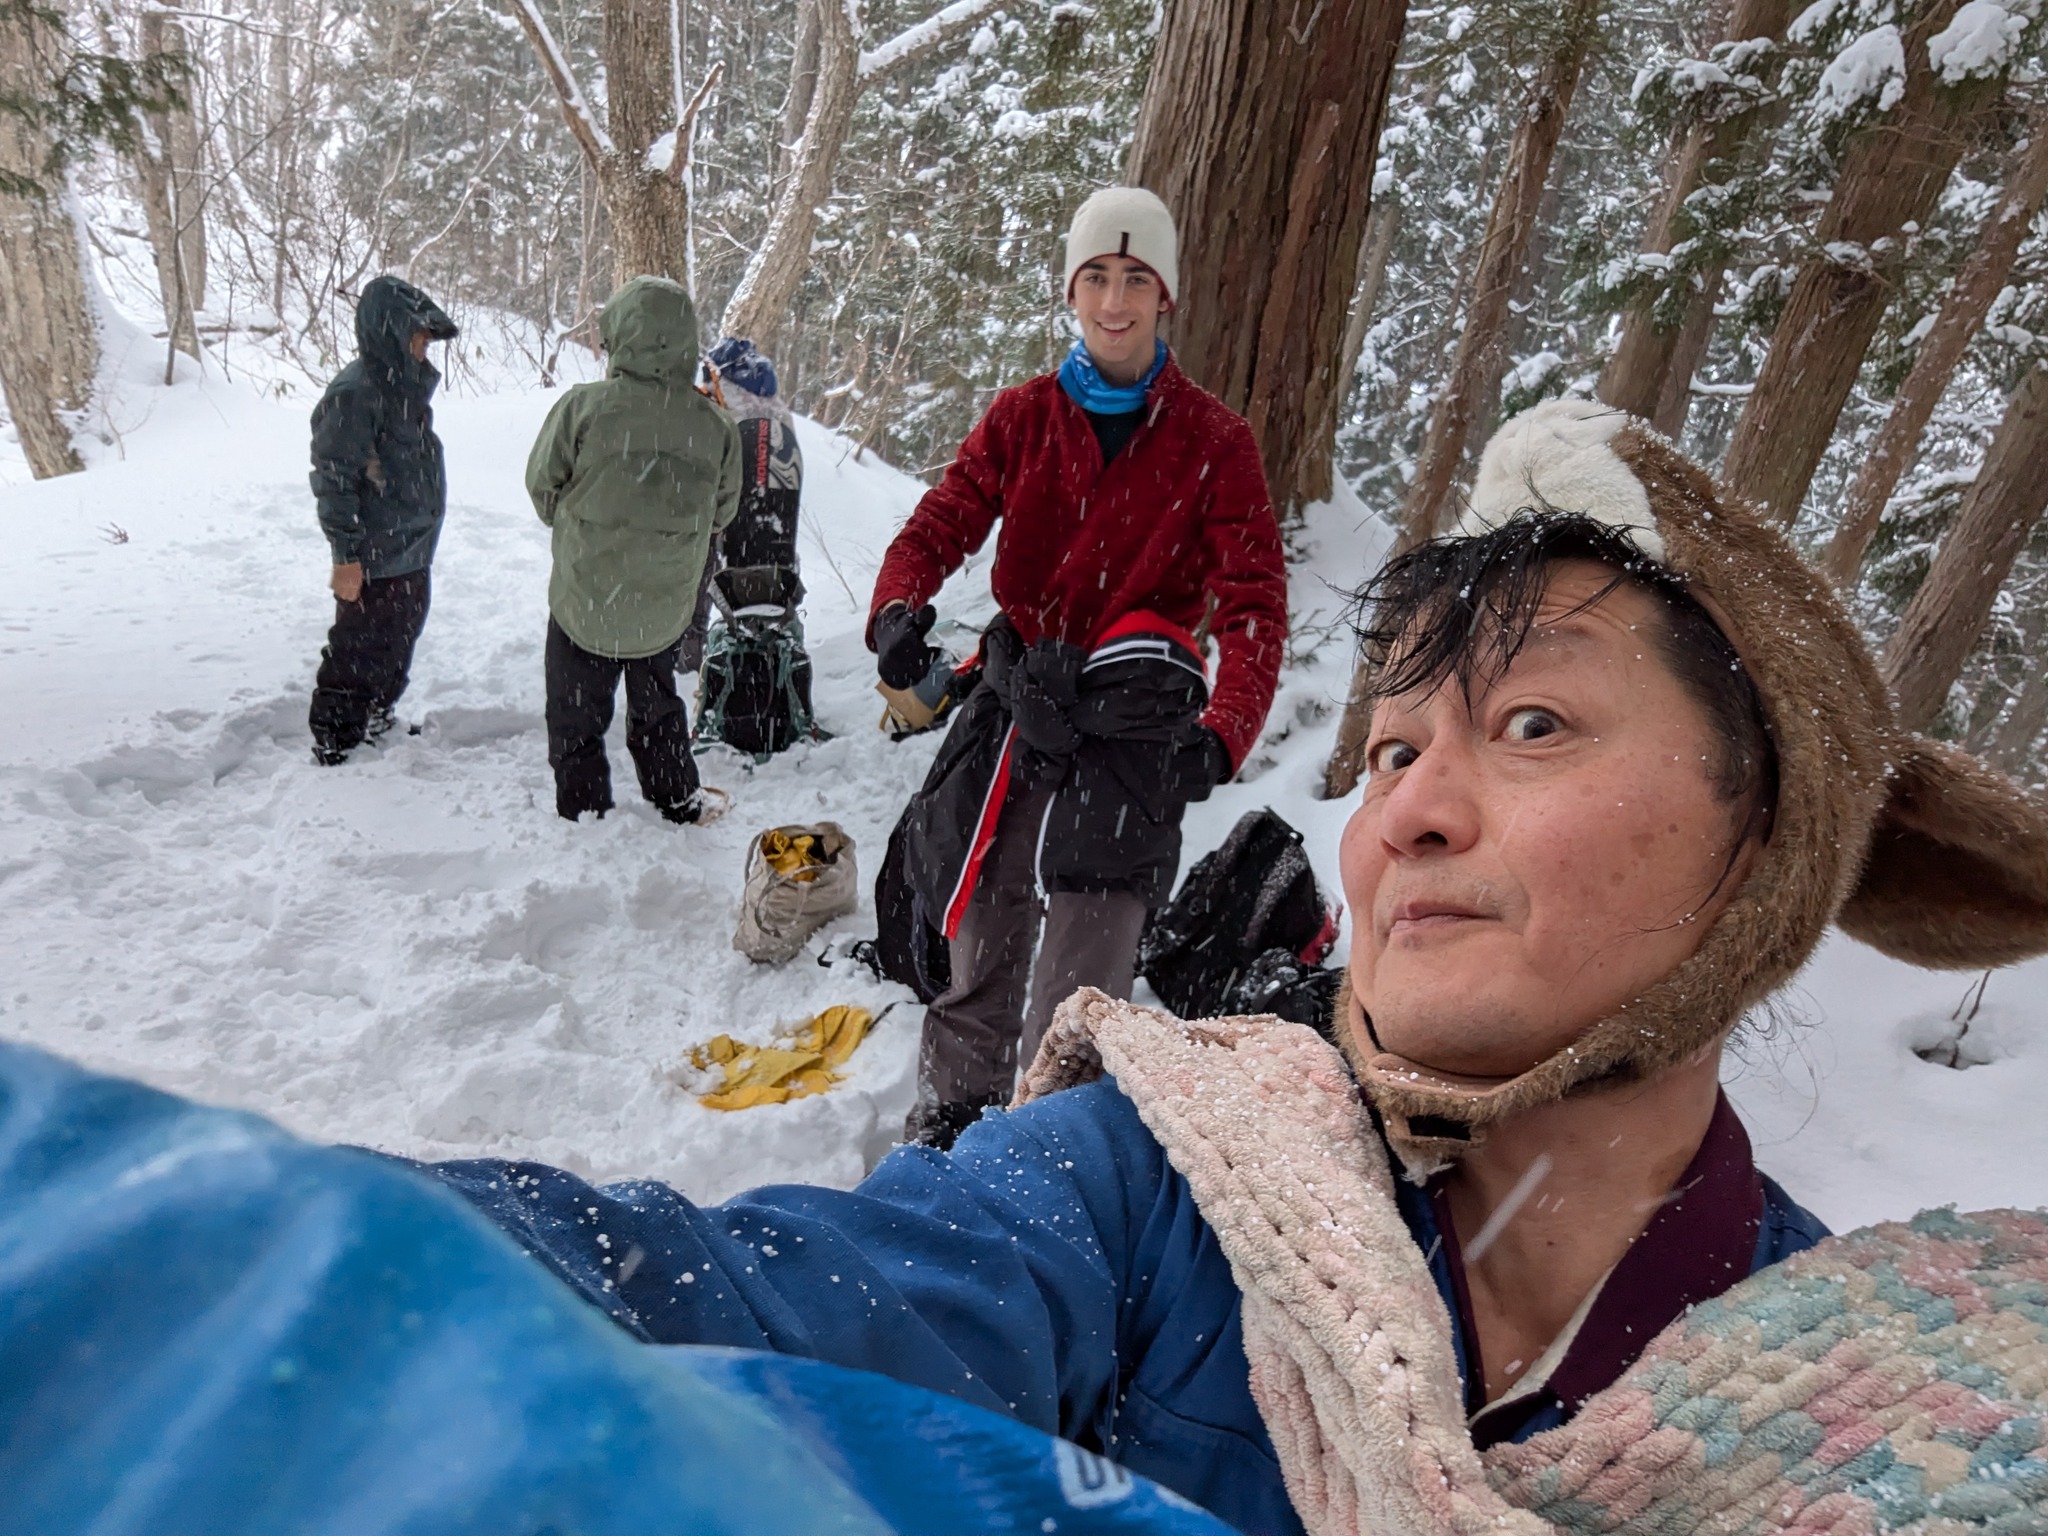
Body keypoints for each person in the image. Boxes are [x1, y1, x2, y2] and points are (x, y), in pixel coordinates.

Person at [411, 399, 2048, 1534]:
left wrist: (1209, 725)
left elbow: (1248, 590)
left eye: (1533, 721)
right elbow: (748, 1305)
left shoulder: (1911, 1394)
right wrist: (389, 1279)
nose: (1404, 814)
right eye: (1391, 749)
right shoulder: (1165, 1185)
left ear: (1765, 839)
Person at [871, 185, 1290, 1148]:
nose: (1114, 300)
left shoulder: (1215, 442)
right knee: (983, 915)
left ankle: (1051, 1145)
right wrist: (896, 606)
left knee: (1087, 961)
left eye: (1136, 278)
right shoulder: (1023, 417)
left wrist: (1223, 734)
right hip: (1021, 695)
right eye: (1096, 276)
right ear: (1071, 289)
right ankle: (953, 1121)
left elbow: (1254, 605)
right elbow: (943, 521)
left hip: (1134, 720)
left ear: (1164, 294)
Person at [526, 275, 740, 825]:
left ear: (619, 334)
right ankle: (676, 798)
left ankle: (583, 809)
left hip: (587, 593)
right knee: (659, 706)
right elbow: (722, 515)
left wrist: (585, 527)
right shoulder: (714, 426)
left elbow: (542, 487)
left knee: (574, 710)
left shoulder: (584, 408)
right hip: (663, 603)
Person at [308, 276, 458, 765]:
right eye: (419, 339)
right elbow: (334, 480)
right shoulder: (355, 393)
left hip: (410, 547)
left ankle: (375, 715)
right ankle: (336, 738)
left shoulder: (402, 389)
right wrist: (345, 557)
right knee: (358, 647)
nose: (424, 350)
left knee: (398, 640)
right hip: (373, 552)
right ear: (393, 332)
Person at [679, 337, 804, 672]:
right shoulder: (775, 408)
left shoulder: (715, 402)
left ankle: (692, 646)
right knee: (765, 562)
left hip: (725, 491)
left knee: (705, 554)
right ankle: (773, 639)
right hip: (773, 495)